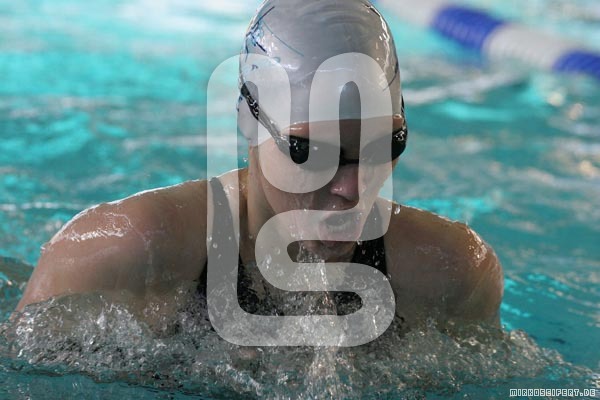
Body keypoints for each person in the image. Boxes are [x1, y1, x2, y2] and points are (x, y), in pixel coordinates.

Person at [15, 0, 503, 335]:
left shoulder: (450, 276)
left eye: (383, 145)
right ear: (251, 122)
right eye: (311, 151)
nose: (353, 189)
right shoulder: (122, 254)